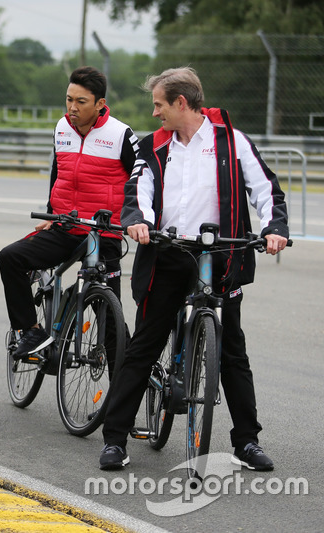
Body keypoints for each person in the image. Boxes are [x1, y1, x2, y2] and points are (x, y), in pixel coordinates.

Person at [99, 67, 289, 471]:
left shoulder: (231, 142)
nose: (154, 113)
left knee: (232, 350)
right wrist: (140, 220)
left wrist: (275, 229)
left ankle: (246, 442)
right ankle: (115, 439)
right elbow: (139, 191)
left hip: (221, 256)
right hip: (168, 252)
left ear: (181, 103)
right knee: (145, 346)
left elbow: (265, 189)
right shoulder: (153, 146)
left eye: (159, 105)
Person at [0, 66, 138, 358]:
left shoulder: (121, 134)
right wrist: (51, 215)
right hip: (65, 227)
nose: (72, 107)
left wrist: (134, 219)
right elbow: (57, 173)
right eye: (68, 99)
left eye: (81, 101)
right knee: (10, 257)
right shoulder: (61, 127)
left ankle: (119, 395)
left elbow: (141, 181)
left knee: (108, 312)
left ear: (100, 104)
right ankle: (32, 331)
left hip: (104, 234)